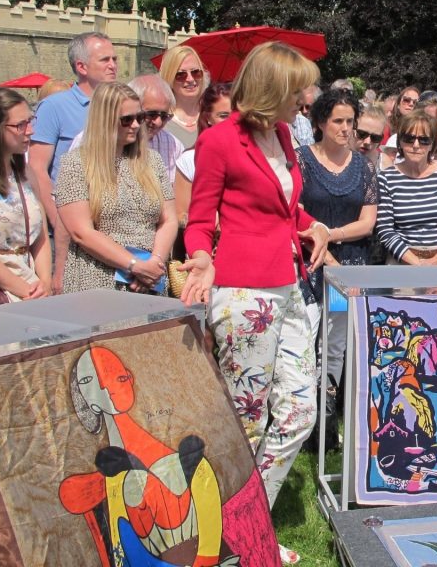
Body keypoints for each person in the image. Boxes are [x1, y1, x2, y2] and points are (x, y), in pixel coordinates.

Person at [178, 43, 328, 566]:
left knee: (299, 413)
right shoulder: (219, 141)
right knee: (247, 423)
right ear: (272, 89)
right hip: (243, 295)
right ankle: (229, 539)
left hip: (288, 286)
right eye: (298, 88)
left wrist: (312, 225)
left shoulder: (284, 135)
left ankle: (244, 529)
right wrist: (200, 257)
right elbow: (199, 219)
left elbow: (285, 207)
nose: (306, 97)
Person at [59, 347, 232, 567]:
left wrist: (205, 559)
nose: (105, 386)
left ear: (128, 378)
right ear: (85, 399)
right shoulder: (116, 475)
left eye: (115, 374)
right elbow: (116, 534)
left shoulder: (177, 455)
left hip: (195, 549)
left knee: (196, 467)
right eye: (87, 381)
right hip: (153, 549)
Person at [298, 88, 378, 446]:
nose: (347, 129)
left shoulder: (364, 167)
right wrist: (322, 247)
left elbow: (368, 221)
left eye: (351, 122)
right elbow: (293, 213)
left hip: (351, 268)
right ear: (320, 122)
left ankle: (325, 430)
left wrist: (330, 234)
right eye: (339, 121)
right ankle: (298, 423)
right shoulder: (300, 161)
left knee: (334, 350)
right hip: (307, 265)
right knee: (304, 346)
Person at [56, 82, 175, 295]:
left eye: (140, 117)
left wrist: (154, 263)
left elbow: (169, 218)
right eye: (127, 119)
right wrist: (134, 265)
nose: (137, 125)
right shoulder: (77, 164)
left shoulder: (153, 162)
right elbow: (81, 231)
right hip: (98, 280)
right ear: (105, 120)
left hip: (150, 281)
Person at [31, 31, 117, 294]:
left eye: (114, 58)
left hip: (110, 225)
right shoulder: (55, 106)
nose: (113, 65)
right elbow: (37, 168)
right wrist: (59, 221)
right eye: (104, 60)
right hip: (70, 224)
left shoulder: (119, 105)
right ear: (81, 66)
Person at [0, 87, 51, 308]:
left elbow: (40, 237)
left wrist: (45, 282)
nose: (30, 130)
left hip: (30, 289)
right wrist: (24, 289)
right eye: (20, 125)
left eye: (30, 120)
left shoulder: (25, 173)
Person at [376, 109, 437, 265]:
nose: (416, 145)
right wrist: (417, 264)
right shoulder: (386, 178)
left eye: (424, 140)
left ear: (432, 143)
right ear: (400, 141)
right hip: (403, 261)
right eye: (409, 138)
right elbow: (385, 230)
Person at [174, 82, 231, 234]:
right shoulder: (189, 160)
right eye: (224, 116)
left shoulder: (254, 155)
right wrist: (207, 218)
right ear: (208, 118)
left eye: (236, 115)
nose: (231, 123)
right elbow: (180, 214)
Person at [157, 45, 210, 150]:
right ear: (169, 77)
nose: (190, 79)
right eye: (181, 75)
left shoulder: (213, 115)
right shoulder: (159, 122)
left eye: (196, 72)